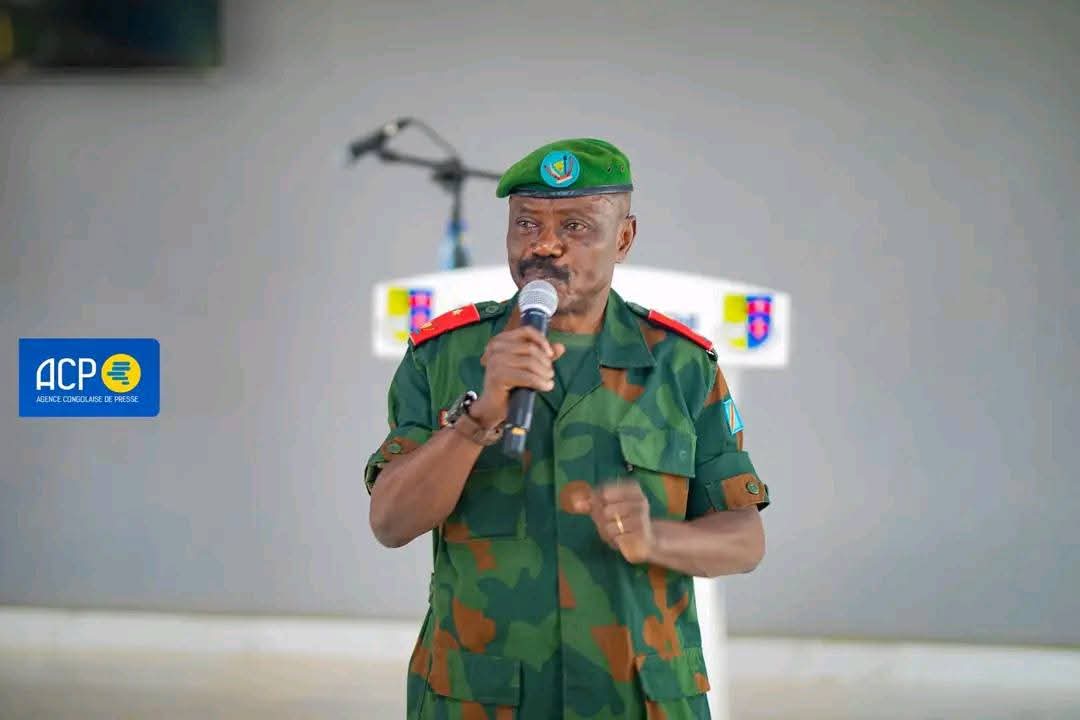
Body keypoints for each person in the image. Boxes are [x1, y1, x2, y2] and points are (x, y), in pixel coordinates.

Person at [366, 138, 770, 720]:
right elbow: (390, 522)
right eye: (526, 224)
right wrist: (477, 420)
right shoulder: (443, 357)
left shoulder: (682, 365)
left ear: (624, 239)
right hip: (481, 697)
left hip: (638, 698)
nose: (545, 244)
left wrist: (655, 539)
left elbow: (745, 540)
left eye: (576, 226)